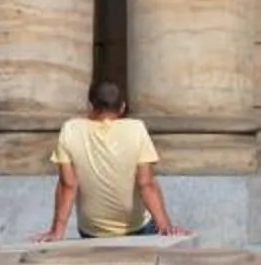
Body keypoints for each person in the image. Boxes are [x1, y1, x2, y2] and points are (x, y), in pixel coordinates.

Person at [36, 82, 182, 241]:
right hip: (137, 227)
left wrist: (57, 231)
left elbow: (68, 185)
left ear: (90, 105)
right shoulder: (136, 129)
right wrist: (165, 227)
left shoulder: (71, 130)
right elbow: (146, 183)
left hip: (92, 230)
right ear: (122, 107)